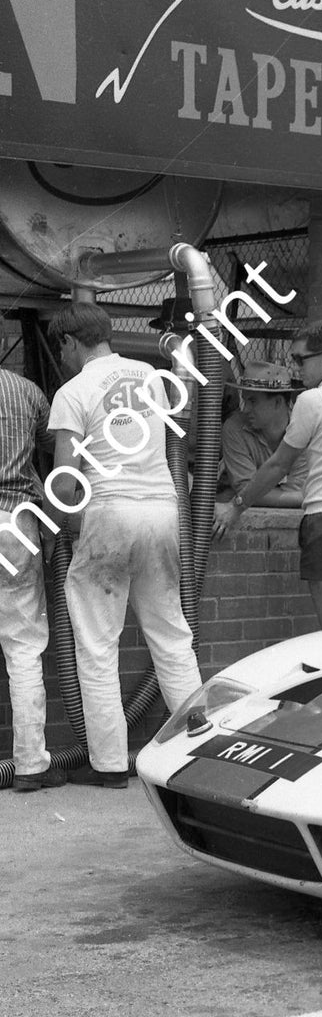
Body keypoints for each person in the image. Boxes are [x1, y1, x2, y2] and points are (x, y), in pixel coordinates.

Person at [46, 304, 202, 788]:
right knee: (172, 636)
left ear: (70, 341)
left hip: (110, 513)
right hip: (162, 510)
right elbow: (178, 437)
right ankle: (203, 753)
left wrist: (56, 529)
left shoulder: (73, 392)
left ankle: (110, 765)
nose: (61, 357)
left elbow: (65, 482)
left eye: (60, 348)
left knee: (97, 645)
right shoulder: (152, 377)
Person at [215, 321, 322, 629]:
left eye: (300, 359)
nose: (296, 368)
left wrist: (237, 506)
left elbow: (278, 466)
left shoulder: (312, 400)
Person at [0, 364, 61, 792]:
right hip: (15, 523)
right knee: (23, 647)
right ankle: (30, 765)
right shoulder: (25, 390)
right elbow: (57, 445)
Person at [213, 361, 308, 528]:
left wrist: (251, 494)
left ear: (278, 402)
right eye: (245, 400)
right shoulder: (234, 428)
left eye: (253, 401)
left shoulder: (303, 427)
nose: (245, 409)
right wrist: (301, 497)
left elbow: (297, 489)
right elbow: (244, 489)